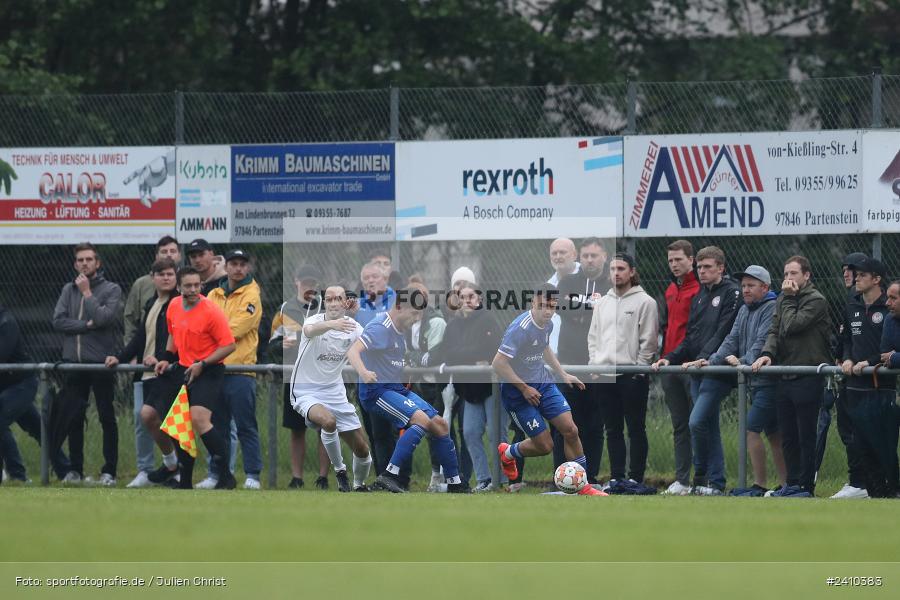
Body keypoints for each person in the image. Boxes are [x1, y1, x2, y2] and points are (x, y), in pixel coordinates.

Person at [346, 288, 468, 493]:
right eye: (414, 313)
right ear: (400, 307)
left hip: (395, 389)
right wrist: (364, 373)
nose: (416, 318)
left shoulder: (399, 330)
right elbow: (353, 351)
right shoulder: (380, 327)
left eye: (420, 314)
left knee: (440, 424)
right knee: (421, 420)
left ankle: (455, 483)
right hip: (376, 392)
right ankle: (389, 476)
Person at [493, 284, 606, 496]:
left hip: (544, 384)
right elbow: (498, 364)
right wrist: (524, 388)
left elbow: (544, 348)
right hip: (517, 394)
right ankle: (508, 452)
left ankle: (583, 485)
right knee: (545, 446)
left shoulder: (548, 323)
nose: (547, 311)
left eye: (552, 306)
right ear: (533, 303)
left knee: (571, 430)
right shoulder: (520, 328)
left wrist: (563, 374)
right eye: (543, 305)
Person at [685, 265, 785, 496]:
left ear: (765, 287)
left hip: (768, 380)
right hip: (753, 381)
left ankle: (760, 485)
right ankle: (786, 484)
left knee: (751, 429)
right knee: (773, 434)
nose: (746, 290)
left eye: (751, 285)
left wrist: (741, 361)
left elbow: (762, 343)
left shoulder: (772, 308)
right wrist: (712, 360)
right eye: (744, 285)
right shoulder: (744, 309)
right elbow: (732, 338)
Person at [652, 246, 741, 495]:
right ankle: (709, 483)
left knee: (696, 421)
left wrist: (704, 358)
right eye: (700, 267)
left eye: (707, 267)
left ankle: (709, 479)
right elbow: (691, 337)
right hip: (697, 369)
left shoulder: (732, 292)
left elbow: (724, 332)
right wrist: (670, 357)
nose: (702, 271)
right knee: (706, 424)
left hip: (718, 369)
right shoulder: (701, 295)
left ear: (721, 268)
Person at [753, 256, 832, 498]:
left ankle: (806, 486)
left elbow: (793, 325)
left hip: (807, 375)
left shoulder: (816, 300)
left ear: (806, 276)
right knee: (788, 435)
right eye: (786, 273)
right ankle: (792, 483)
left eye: (794, 273)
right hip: (784, 374)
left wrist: (786, 298)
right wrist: (767, 353)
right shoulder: (783, 300)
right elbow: (775, 330)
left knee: (806, 434)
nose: (788, 279)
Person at [152, 266, 236, 489]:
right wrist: (166, 358)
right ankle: (185, 482)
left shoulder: (210, 311)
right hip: (184, 367)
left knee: (199, 418)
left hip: (209, 369)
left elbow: (228, 345)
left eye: (196, 285)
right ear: (178, 287)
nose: (192, 290)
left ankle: (226, 475)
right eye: (188, 286)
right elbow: (173, 333)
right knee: (177, 423)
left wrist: (203, 363)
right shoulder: (174, 306)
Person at [50, 242, 123, 486]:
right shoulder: (67, 290)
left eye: (89, 259)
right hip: (74, 365)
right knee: (74, 416)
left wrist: (88, 294)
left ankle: (109, 471)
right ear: (75, 264)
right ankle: (75, 470)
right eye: (80, 260)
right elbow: (58, 321)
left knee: (106, 417)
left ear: (97, 263)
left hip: (101, 364)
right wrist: (84, 326)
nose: (84, 263)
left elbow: (103, 318)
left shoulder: (111, 289)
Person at [289, 285, 373, 492]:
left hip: (335, 393)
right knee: (328, 421)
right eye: (329, 299)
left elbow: (372, 343)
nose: (334, 303)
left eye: (338, 299)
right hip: (305, 390)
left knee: (363, 450)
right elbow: (309, 331)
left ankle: (359, 485)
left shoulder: (353, 327)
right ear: (324, 302)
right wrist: (333, 324)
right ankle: (340, 471)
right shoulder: (314, 322)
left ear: (346, 302)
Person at [105, 258, 179, 487]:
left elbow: (179, 336)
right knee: (144, 418)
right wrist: (120, 357)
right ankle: (163, 467)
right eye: (161, 274)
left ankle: (175, 468)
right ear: (153, 277)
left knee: (162, 419)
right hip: (147, 372)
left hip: (168, 371)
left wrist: (163, 358)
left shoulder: (178, 302)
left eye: (170, 274)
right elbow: (140, 337)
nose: (166, 278)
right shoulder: (151, 302)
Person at [588, 254, 658, 491]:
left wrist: (639, 369)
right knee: (612, 429)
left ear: (631, 272)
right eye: (613, 269)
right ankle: (617, 477)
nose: (616, 273)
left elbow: (648, 340)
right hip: (604, 375)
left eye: (621, 268)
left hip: (632, 376)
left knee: (636, 427)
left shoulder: (645, 302)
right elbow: (594, 337)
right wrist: (594, 365)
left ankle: (636, 478)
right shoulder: (602, 303)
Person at [428, 283, 505, 492]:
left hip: (491, 386)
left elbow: (491, 348)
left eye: (471, 296)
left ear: (479, 298)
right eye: (462, 297)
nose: (467, 301)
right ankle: (484, 480)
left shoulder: (488, 319)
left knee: (497, 434)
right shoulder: (453, 325)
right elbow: (448, 353)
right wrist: (472, 357)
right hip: (468, 390)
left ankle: (505, 480)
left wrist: (464, 355)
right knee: (470, 432)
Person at [204, 249, 264, 490]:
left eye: (242, 264)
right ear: (226, 267)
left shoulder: (252, 294)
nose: (238, 268)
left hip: (241, 370)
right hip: (216, 369)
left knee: (245, 426)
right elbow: (201, 324)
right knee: (217, 427)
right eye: (234, 264)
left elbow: (237, 329)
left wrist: (213, 332)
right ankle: (219, 474)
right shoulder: (213, 293)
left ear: (247, 268)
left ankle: (252, 475)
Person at [269, 264, 331, 489]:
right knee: (297, 429)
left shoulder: (326, 308)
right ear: (296, 282)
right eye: (305, 283)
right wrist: (280, 345)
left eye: (313, 284)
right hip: (295, 377)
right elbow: (271, 343)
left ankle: (323, 477)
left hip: (322, 377)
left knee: (325, 426)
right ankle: (297, 477)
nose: (309, 287)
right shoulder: (285, 309)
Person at [555, 237, 609, 482]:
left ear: (604, 257)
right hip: (568, 367)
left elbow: (608, 316)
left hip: (597, 367)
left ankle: (591, 477)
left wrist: (582, 312)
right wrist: (589, 311)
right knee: (565, 425)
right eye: (586, 255)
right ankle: (561, 476)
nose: (589, 260)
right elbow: (565, 310)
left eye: (594, 255)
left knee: (594, 427)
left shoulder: (610, 285)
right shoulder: (567, 282)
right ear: (580, 257)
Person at [840, 259, 894, 498]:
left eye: (862, 275)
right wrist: (848, 359)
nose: (856, 279)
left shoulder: (890, 308)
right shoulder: (852, 306)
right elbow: (847, 341)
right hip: (854, 385)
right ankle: (874, 492)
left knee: (883, 444)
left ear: (876, 279)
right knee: (859, 443)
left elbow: (891, 347)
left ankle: (892, 489)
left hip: (880, 385)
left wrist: (870, 362)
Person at [0, 302, 69, 484]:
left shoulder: (6, 322)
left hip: (22, 384)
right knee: (39, 429)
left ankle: (17, 475)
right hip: (5, 386)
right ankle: (65, 470)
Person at [819, 252, 869, 499]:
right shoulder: (851, 299)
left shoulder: (869, 301)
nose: (847, 274)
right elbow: (846, 336)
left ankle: (865, 482)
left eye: (853, 269)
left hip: (867, 377)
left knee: (862, 431)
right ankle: (858, 481)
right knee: (846, 429)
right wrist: (843, 356)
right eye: (845, 270)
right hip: (846, 372)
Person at [657, 239, 701, 495]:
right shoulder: (670, 290)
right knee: (680, 426)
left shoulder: (699, 290)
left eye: (679, 260)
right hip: (669, 366)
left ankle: (703, 478)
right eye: (671, 260)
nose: (674, 265)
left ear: (691, 260)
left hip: (691, 366)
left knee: (698, 424)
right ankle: (682, 480)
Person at [875, 280, 900, 497]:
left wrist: (896, 357)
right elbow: (884, 354)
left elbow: (893, 356)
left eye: (893, 298)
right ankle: (893, 489)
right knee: (889, 442)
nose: (887, 302)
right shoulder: (890, 321)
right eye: (888, 297)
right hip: (896, 393)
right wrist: (893, 357)